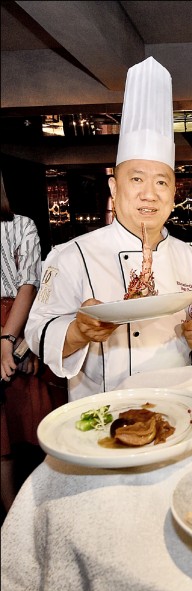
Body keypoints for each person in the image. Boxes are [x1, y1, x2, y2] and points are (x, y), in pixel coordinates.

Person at [25, 57, 192, 402]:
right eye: (136, 179)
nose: (149, 193)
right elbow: (37, 332)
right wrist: (77, 331)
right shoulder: (72, 254)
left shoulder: (187, 256)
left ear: (174, 194)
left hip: (180, 405)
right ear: (114, 188)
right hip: (104, 410)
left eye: (161, 181)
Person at [1, 172, 67, 518]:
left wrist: (12, 340)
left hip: (17, 319)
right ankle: (10, 516)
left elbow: (29, 284)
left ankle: (46, 508)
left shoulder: (20, 225)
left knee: (34, 424)